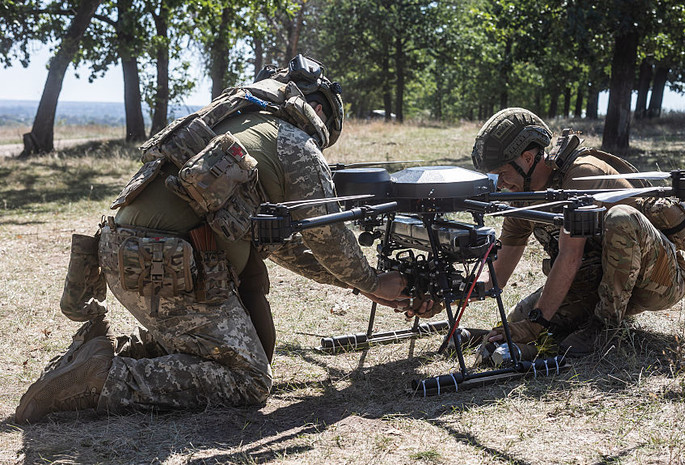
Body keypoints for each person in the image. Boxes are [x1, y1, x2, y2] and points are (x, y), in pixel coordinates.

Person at [15, 55, 423, 423]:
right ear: (318, 110)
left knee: (234, 347)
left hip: (138, 255)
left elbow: (284, 246)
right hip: (165, 263)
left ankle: (97, 355)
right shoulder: (295, 145)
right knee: (248, 381)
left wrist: (361, 285)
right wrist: (370, 281)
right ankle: (103, 379)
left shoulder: (233, 122)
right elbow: (327, 236)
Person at [470, 108, 685, 359]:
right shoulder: (520, 196)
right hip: (595, 281)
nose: (499, 184)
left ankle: (605, 327)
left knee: (621, 217)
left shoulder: (580, 175)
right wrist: (443, 292)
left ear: (526, 158)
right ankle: (579, 324)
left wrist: (535, 326)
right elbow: (496, 276)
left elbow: (570, 256)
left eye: (502, 173)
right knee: (516, 318)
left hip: (658, 280)